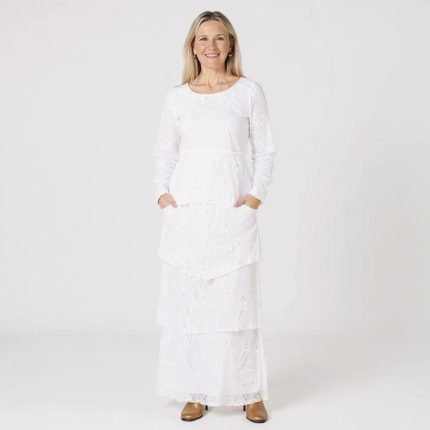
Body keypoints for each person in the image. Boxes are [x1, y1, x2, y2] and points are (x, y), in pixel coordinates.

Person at [152, 10, 276, 423]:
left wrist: (254, 198)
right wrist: (163, 196)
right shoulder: (177, 98)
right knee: (193, 304)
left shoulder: (248, 92)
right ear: (192, 46)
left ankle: (249, 392)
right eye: (203, 38)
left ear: (230, 45)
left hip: (231, 210)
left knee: (237, 303)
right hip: (188, 213)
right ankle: (196, 390)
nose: (211, 45)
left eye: (219, 38)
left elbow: (265, 149)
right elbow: (164, 152)